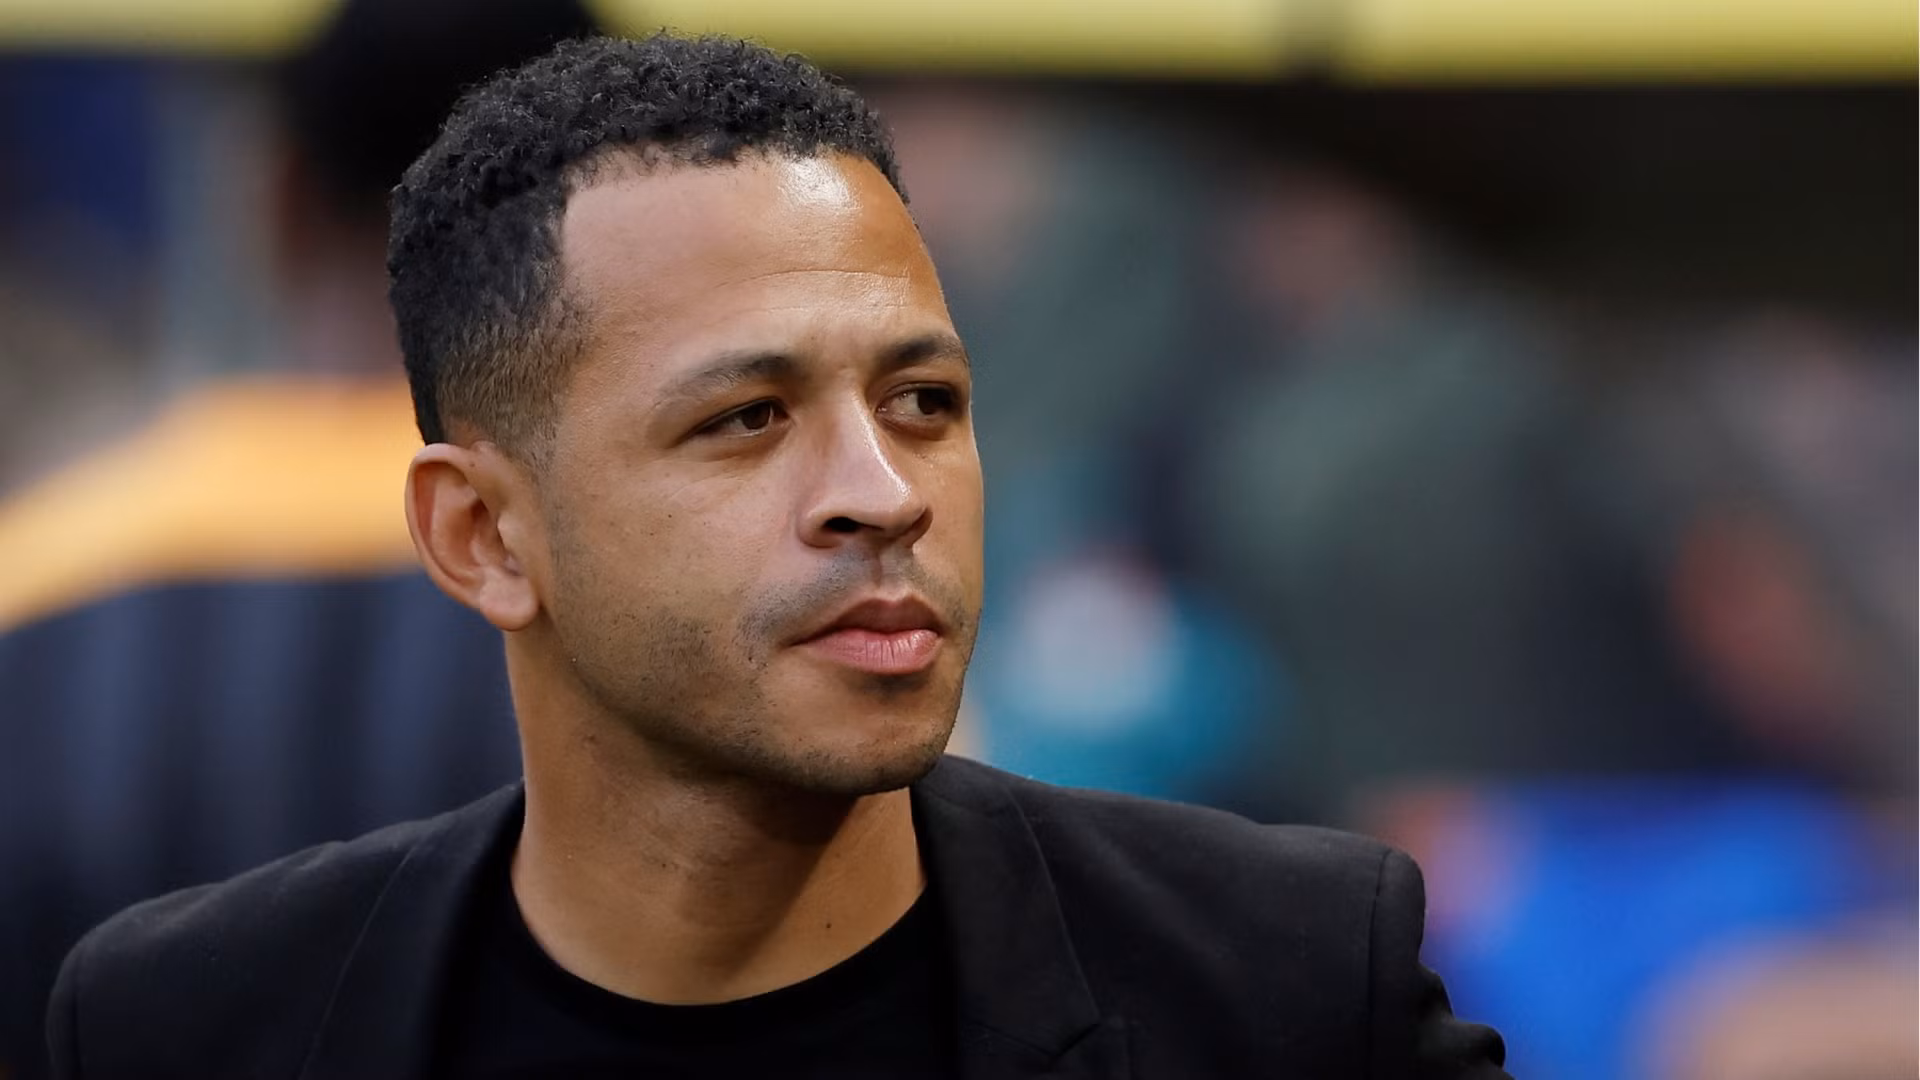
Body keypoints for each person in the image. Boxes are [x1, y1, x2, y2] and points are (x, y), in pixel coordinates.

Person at [46, 33, 1509, 1079]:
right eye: (746, 419)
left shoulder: (1293, 989)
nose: (884, 495)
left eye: (923, 402)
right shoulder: (194, 1021)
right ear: (481, 534)